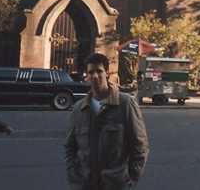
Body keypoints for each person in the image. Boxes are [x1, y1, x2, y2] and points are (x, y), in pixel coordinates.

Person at [64, 53, 149, 190]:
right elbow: (70, 146)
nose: (95, 76)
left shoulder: (125, 103)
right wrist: (73, 173)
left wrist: (131, 178)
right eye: (91, 72)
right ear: (86, 76)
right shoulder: (79, 109)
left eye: (99, 71)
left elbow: (140, 145)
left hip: (115, 184)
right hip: (85, 184)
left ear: (107, 73)